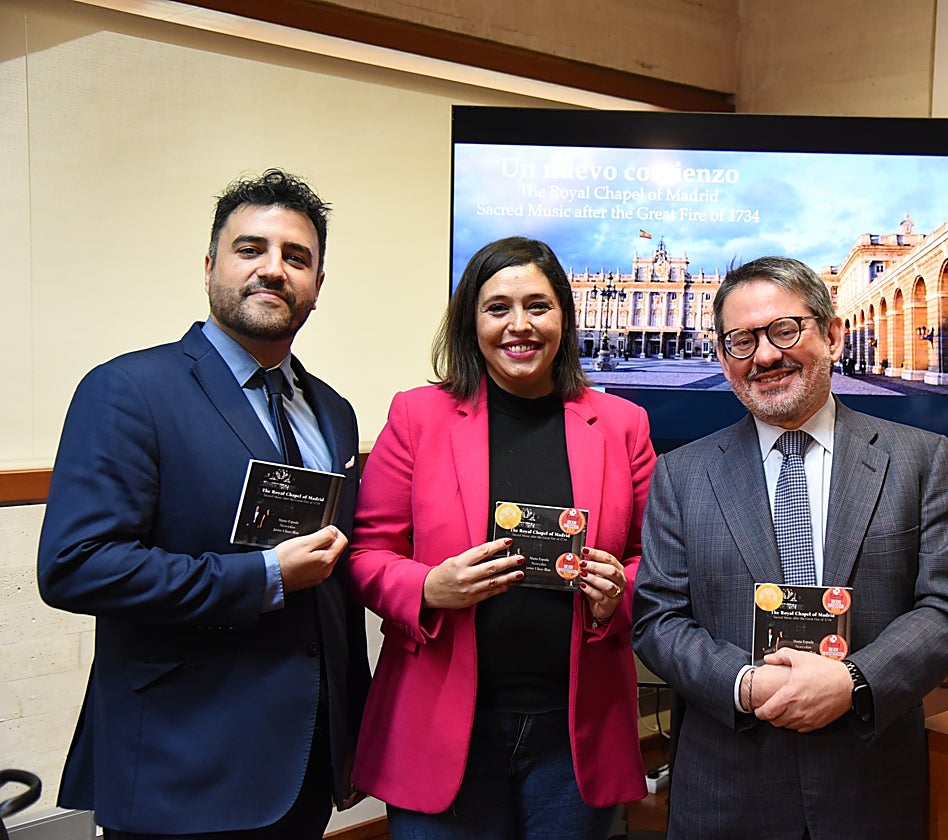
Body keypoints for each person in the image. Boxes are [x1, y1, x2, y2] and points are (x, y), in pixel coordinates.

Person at [37, 169, 370, 839]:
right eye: (251, 249)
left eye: (296, 257)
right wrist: (265, 575)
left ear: (318, 286)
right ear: (210, 264)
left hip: (305, 762)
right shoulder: (129, 390)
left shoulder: (332, 411)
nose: (273, 270)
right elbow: (77, 565)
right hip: (183, 761)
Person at [632, 256, 948, 839]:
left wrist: (855, 680)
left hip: (867, 786)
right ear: (723, 359)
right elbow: (658, 620)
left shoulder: (919, 458)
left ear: (832, 333)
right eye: (741, 341)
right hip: (727, 791)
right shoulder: (681, 473)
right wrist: (744, 685)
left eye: (784, 330)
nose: (765, 355)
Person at [346, 236, 655, 839]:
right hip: (442, 728)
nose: (520, 325)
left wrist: (620, 592)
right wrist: (428, 586)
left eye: (538, 306)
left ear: (564, 316)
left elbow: (656, 561)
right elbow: (366, 553)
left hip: (574, 733)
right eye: (497, 308)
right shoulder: (417, 416)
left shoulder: (621, 424)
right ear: (472, 321)